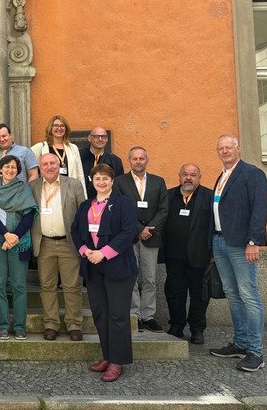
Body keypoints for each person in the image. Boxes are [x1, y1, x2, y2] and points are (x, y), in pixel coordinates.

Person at [70, 164, 138, 383]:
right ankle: (107, 356)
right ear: (92, 181)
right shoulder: (85, 206)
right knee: (100, 313)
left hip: (118, 267)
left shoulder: (123, 204)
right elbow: (76, 230)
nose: (101, 182)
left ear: (112, 181)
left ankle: (118, 361)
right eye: (97, 178)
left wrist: (104, 253)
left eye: (105, 179)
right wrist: (84, 250)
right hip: (93, 266)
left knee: (118, 315)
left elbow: (128, 233)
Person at [209, 135, 267, 372]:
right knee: (233, 295)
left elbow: (259, 208)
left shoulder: (252, 173)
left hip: (241, 244)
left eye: (228, 147)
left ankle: (256, 352)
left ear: (238, 149)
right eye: (220, 148)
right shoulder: (223, 175)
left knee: (249, 295)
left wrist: (254, 241)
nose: (224, 151)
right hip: (220, 241)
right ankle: (241, 343)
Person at [112, 147, 169, 333]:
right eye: (135, 158)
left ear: (147, 160)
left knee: (150, 279)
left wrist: (148, 230)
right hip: (129, 237)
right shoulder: (120, 182)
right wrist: (138, 229)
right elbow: (119, 208)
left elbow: (163, 210)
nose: (138, 161)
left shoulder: (158, 182)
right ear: (129, 160)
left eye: (141, 158)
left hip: (152, 237)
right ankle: (135, 315)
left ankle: (148, 316)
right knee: (132, 277)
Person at [30, 152, 86, 341]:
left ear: (59, 164)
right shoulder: (33, 187)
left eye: (52, 163)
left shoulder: (74, 184)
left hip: (68, 243)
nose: (49, 167)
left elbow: (83, 215)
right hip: (44, 243)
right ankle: (51, 324)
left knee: (72, 286)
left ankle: (74, 324)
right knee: (47, 286)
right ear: (39, 167)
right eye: (44, 164)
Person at [0, 155, 37, 340]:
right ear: (0, 169)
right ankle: (3, 326)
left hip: (20, 238)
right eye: (6, 167)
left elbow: (29, 216)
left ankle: (20, 326)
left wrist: (15, 236)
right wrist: (6, 234)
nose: (9, 170)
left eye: (13, 167)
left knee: (19, 285)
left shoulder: (24, 189)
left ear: (18, 170)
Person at [162, 163, 213, 344]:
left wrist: (213, 253)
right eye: (185, 174)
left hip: (200, 256)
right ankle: (176, 325)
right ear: (179, 176)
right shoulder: (168, 195)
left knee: (199, 295)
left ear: (200, 177)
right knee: (175, 293)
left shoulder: (209, 196)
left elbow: (214, 226)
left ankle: (197, 328)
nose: (188, 178)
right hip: (174, 256)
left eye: (193, 174)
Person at [31, 115, 86, 196]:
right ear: (50, 128)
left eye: (62, 126)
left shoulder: (73, 148)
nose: (59, 128)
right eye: (56, 125)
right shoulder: (40, 148)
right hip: (48, 191)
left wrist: (83, 194)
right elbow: (31, 168)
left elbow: (80, 173)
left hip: (69, 191)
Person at [79, 127, 124, 200]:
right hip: (82, 200)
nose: (100, 139)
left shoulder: (115, 161)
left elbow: (118, 185)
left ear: (107, 139)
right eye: (97, 136)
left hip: (106, 203)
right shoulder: (78, 157)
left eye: (103, 137)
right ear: (89, 138)